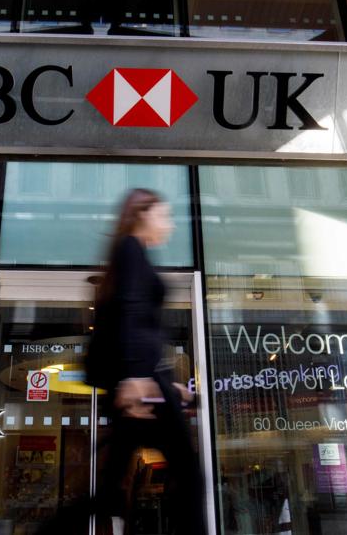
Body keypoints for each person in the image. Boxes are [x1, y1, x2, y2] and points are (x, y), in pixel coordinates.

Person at [76, 188, 207, 535]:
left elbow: (138, 320)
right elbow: (130, 311)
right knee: (190, 478)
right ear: (142, 214)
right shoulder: (131, 249)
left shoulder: (133, 252)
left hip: (146, 383)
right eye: (164, 215)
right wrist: (136, 376)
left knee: (109, 493)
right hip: (142, 386)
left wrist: (167, 383)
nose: (170, 224)